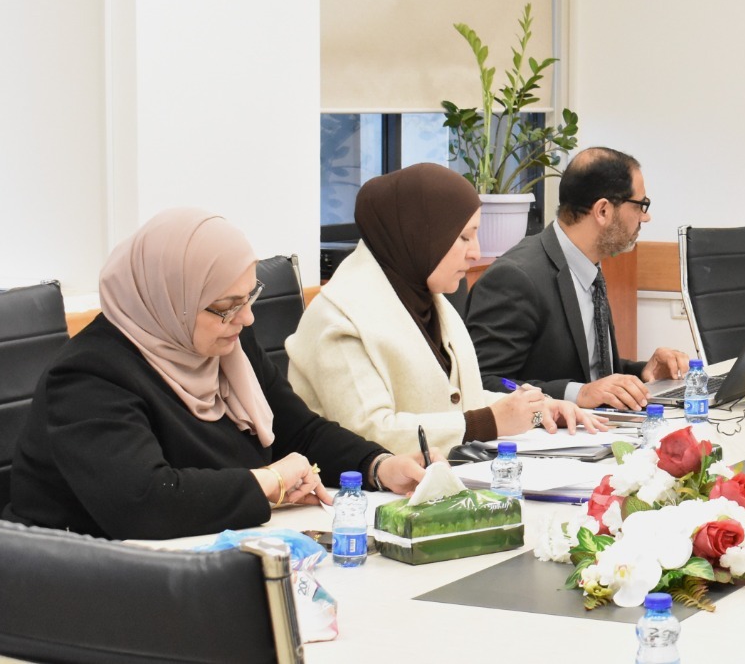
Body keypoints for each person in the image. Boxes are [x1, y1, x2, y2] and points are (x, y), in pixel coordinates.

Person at [1, 209, 428, 541]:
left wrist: (378, 465)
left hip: (208, 551)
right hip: (87, 577)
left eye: (249, 296)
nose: (246, 317)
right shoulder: (89, 376)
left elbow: (300, 432)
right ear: (171, 299)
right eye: (225, 306)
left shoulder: (224, 345)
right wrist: (268, 481)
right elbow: (144, 501)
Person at [288, 163, 603, 454]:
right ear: (418, 236)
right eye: (464, 237)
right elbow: (370, 432)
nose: (475, 252)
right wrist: (490, 421)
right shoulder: (339, 318)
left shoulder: (426, 299)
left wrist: (535, 408)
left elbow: (457, 401)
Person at [467, 147, 690, 410]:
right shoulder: (515, 277)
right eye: (641, 205)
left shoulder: (589, 266)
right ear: (603, 211)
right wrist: (577, 393)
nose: (646, 217)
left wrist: (643, 372)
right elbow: (483, 383)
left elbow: (591, 372)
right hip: (544, 434)